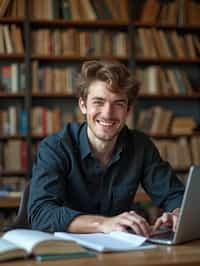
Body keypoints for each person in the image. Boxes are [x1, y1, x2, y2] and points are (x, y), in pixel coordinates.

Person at [28, 60, 184, 236]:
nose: (108, 113)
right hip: (65, 251)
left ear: (128, 110)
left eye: (118, 103)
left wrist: (177, 214)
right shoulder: (56, 147)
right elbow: (41, 213)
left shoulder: (141, 146)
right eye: (99, 102)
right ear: (83, 105)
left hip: (118, 251)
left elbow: (174, 195)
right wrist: (103, 224)